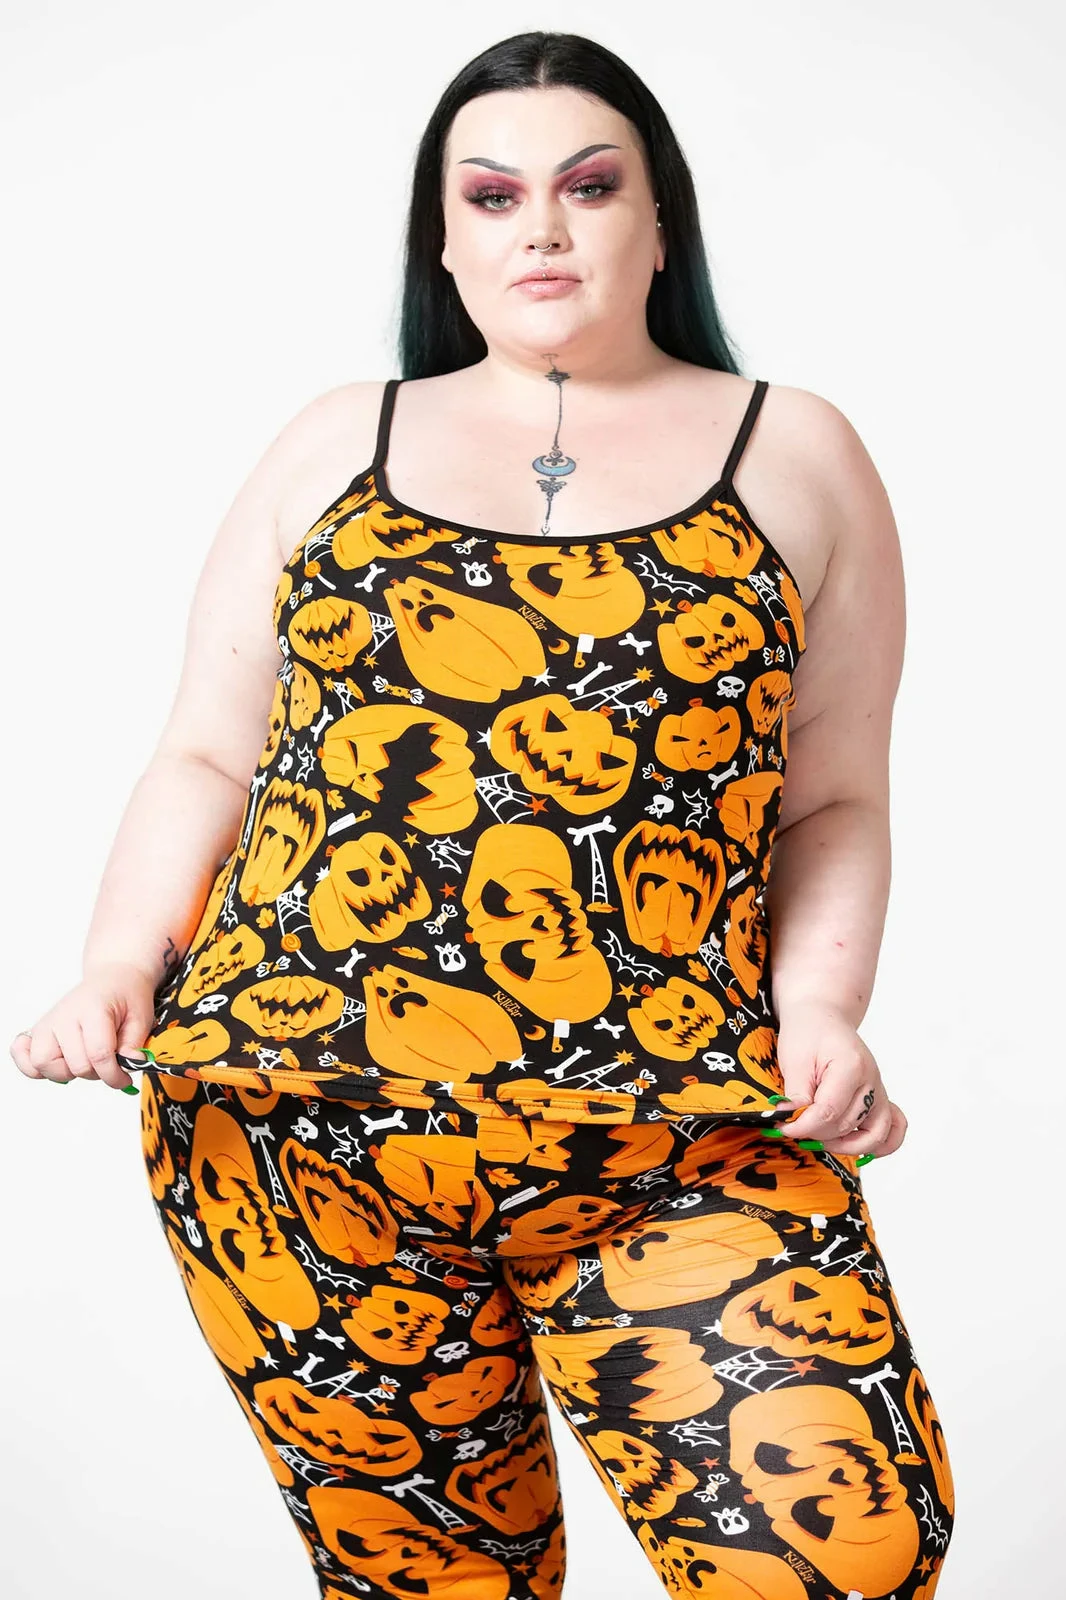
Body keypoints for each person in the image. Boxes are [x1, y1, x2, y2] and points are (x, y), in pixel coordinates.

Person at [10, 29, 955, 1600]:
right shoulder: (338, 438)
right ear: (441, 241)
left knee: (845, 1561)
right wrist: (117, 962)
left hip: (671, 1125)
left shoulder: (795, 451)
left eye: (591, 186)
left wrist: (823, 1010)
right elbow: (207, 756)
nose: (542, 227)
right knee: (437, 1589)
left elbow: (834, 793)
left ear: (660, 221)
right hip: (298, 1127)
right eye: (493, 195)